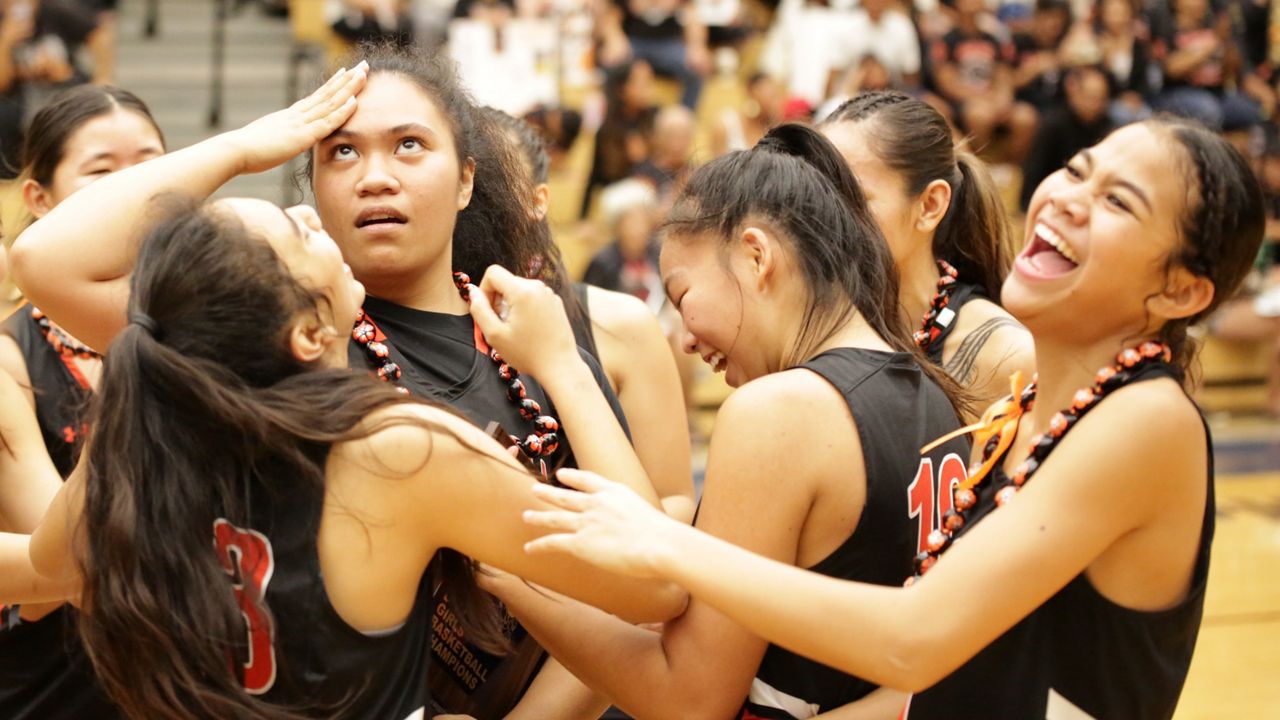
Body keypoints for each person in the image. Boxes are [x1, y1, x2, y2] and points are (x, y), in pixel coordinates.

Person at [513, 116, 1265, 719]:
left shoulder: (1149, 420)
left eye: (1118, 201)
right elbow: (939, 675)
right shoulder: (1029, 406)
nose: (1069, 196)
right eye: (1077, 170)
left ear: (1179, 294)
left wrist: (664, 548)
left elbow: (914, 641)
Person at [13, 62, 683, 720]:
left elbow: (655, 575)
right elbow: (45, 259)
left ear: (466, 180)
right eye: (340, 152)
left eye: (409, 145)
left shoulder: (542, 329)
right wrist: (247, 146)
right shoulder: (261, 340)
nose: (376, 177)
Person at [468, 123, 972, 719]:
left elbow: (687, 701)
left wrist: (506, 574)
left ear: (757, 257)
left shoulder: (781, 411)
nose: (683, 340)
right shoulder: (931, 393)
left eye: (681, 297)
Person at [0, 83, 163, 720]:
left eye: (152, 170)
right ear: (38, 199)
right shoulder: (11, 359)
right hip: (53, 694)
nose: (133, 198)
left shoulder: (203, 337)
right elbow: (71, 567)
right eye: (101, 175)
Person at [485, 107, 693, 522]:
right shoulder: (385, 330)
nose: (478, 196)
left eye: (496, 179)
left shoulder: (621, 324)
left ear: (538, 199)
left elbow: (675, 501)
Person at [819, 91, 1035, 411]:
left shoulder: (1004, 354)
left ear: (929, 206)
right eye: (815, 193)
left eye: (851, 197)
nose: (821, 216)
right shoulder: (809, 319)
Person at [1020, 66, 1112, 210]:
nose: (1094, 105)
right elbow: (1034, 171)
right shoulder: (1053, 125)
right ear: (1075, 93)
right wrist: (1027, 207)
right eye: (1090, 97)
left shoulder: (1108, 129)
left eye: (1100, 99)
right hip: (1051, 197)